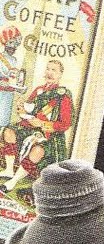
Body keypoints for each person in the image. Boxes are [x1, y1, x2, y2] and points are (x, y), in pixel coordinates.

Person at [1, 59, 74, 195]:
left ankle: (13, 181)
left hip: (50, 135)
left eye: (54, 70)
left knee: (38, 150)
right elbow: (28, 110)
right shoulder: (38, 90)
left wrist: (41, 124)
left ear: (60, 74)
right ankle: (9, 170)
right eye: (48, 69)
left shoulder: (63, 95)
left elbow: (66, 124)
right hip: (30, 127)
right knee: (9, 131)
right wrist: (22, 109)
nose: (49, 73)